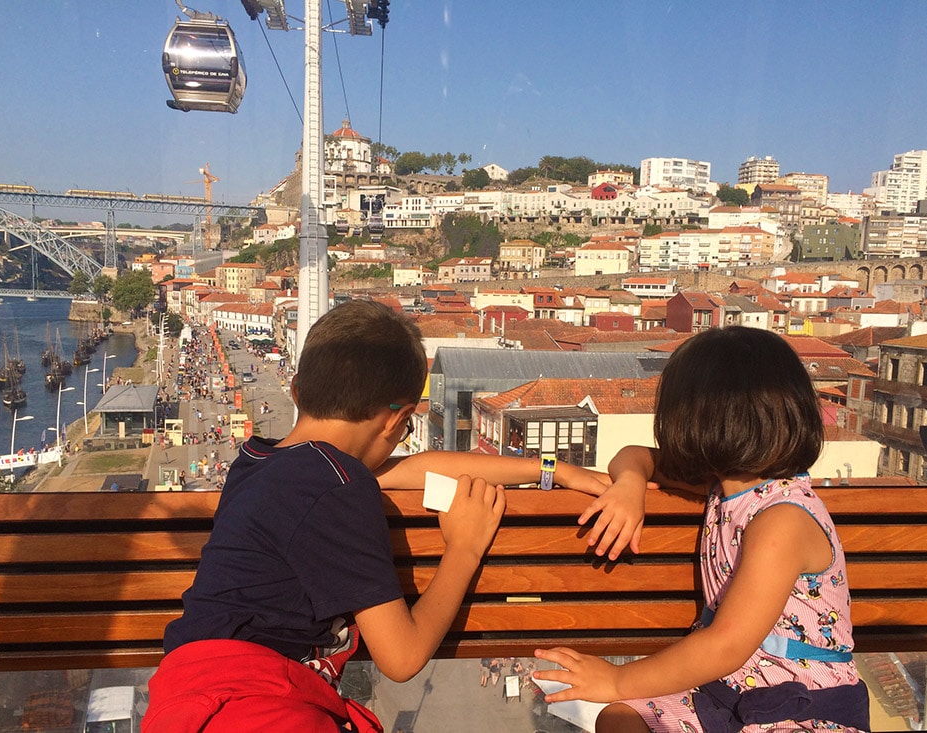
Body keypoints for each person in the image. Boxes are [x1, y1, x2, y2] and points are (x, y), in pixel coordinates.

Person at [143, 300, 631, 733]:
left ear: (295, 390)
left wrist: (551, 470)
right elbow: (402, 657)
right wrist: (464, 548)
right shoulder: (339, 486)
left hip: (190, 696)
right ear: (398, 420)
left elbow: (416, 467)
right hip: (254, 705)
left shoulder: (261, 462)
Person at [534, 326, 870, 733]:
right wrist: (630, 484)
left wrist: (617, 679)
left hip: (801, 707)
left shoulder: (783, 519)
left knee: (620, 706)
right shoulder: (724, 485)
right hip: (727, 694)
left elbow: (725, 645)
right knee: (620, 720)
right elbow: (634, 455)